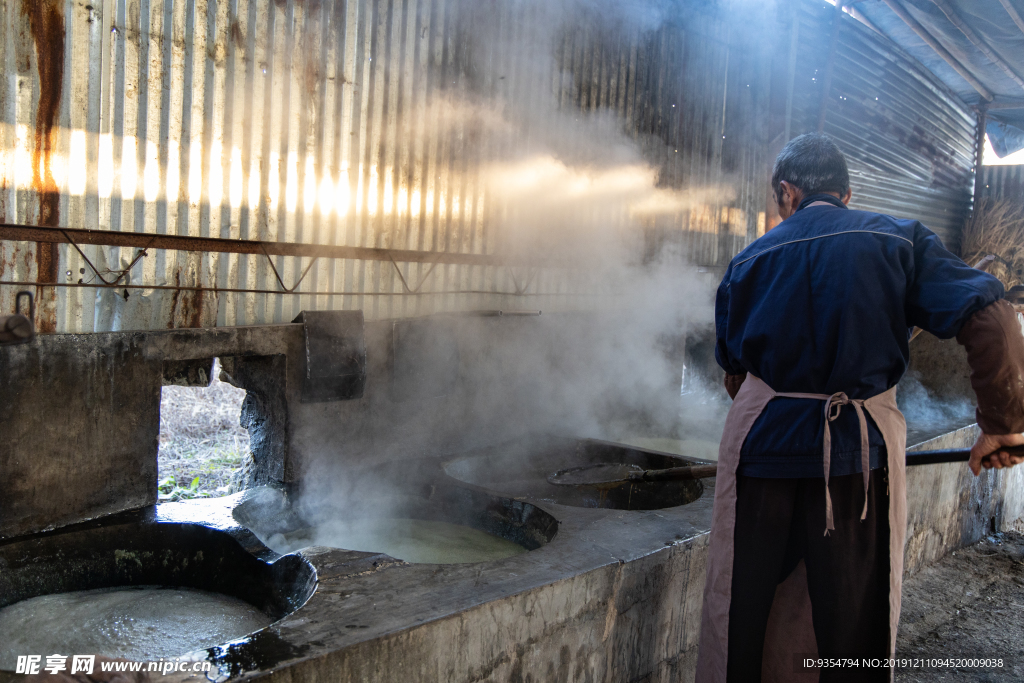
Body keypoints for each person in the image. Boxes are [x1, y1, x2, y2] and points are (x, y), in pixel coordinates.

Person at [694, 133, 1024, 682]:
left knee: (742, 611)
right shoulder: (898, 239)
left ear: (786, 192)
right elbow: (993, 318)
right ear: (848, 194)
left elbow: (735, 376)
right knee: (853, 619)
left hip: (761, 460)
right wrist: (1004, 425)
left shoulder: (747, 261)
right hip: (856, 459)